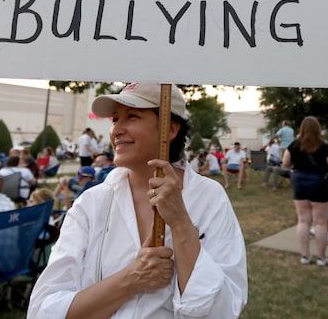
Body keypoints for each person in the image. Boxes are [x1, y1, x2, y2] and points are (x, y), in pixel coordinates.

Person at [29, 82, 247, 319]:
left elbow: (223, 310)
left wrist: (181, 222)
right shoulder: (91, 204)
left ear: (170, 129)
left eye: (132, 116)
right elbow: (43, 310)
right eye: (115, 119)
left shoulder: (209, 198)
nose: (116, 130)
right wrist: (132, 277)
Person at [282, 116, 328, 267]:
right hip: (319, 182)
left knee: (303, 220)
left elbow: (285, 163)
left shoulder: (294, 145)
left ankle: (305, 256)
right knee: (320, 222)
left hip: (299, 181)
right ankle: (321, 257)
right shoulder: (323, 145)